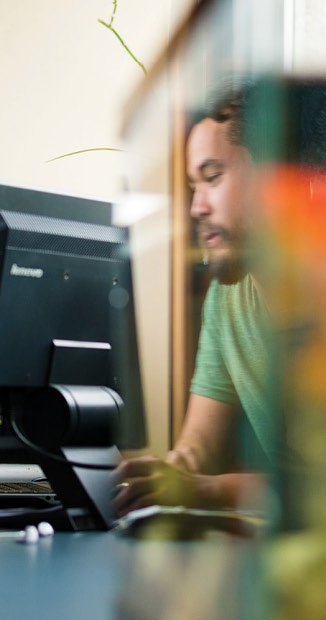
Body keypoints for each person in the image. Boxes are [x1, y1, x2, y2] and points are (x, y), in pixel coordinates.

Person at [113, 89, 273, 515]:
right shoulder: (226, 298)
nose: (197, 207)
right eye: (192, 186)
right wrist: (163, 478)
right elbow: (194, 450)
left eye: (214, 176)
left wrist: (208, 490)